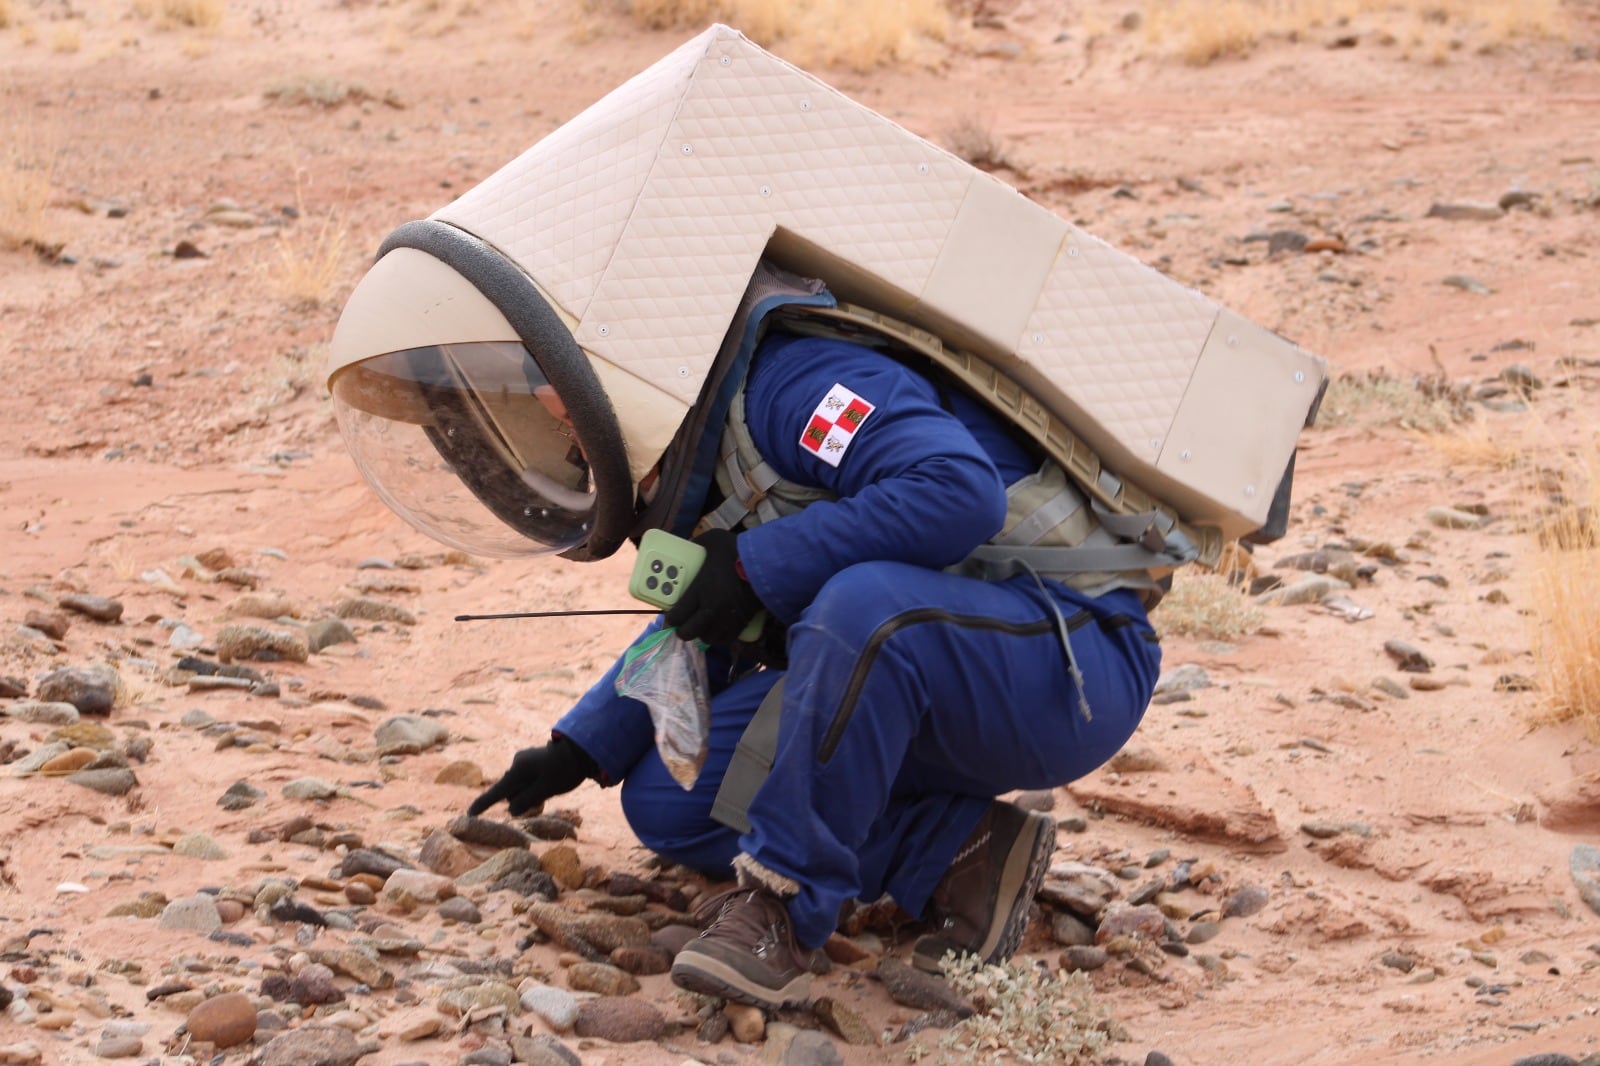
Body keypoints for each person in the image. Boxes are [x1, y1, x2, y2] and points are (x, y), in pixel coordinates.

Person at [462, 314, 1165, 1009]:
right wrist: (581, 745)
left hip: (1068, 664)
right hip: (925, 674)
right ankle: (959, 855)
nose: (569, 440)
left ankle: (783, 909)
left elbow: (958, 491)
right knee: (670, 802)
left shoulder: (794, 384)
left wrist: (747, 566)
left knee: (862, 607)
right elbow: (703, 622)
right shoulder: (700, 451)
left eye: (571, 417)